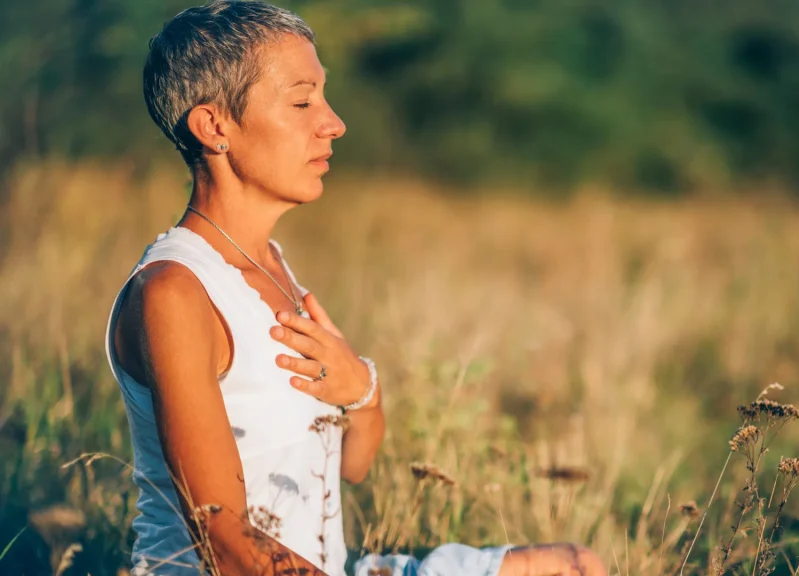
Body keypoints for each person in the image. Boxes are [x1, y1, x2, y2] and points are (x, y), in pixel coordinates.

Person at [104, 1, 609, 575]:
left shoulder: (271, 266)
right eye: (302, 102)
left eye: (323, 96)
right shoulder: (174, 292)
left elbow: (356, 463)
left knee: (574, 565)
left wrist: (362, 390)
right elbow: (224, 539)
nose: (333, 122)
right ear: (214, 126)